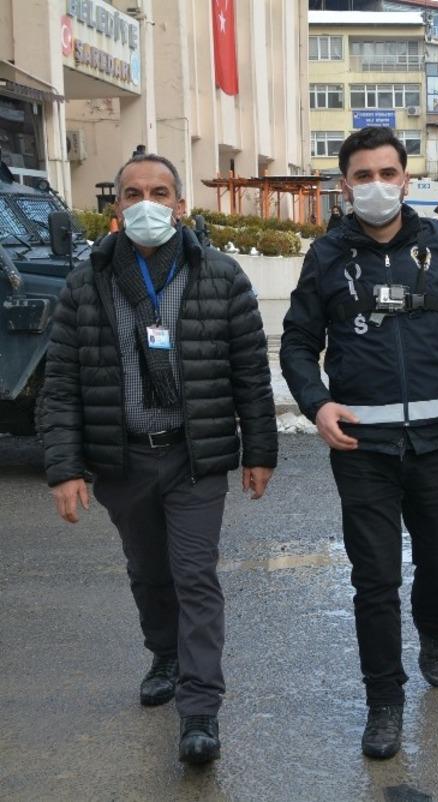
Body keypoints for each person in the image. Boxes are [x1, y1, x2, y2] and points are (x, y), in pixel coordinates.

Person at [279, 127, 438, 760]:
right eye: (364, 176)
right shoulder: (326, 257)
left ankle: (433, 631)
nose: (377, 186)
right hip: (363, 450)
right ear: (345, 184)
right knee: (374, 580)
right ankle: (384, 702)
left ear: (405, 180)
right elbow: (297, 343)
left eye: (388, 173)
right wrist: (316, 402)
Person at [40, 152, 277, 765]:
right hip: (122, 458)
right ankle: (165, 654)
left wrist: (260, 450)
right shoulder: (85, 281)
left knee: (196, 576)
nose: (147, 202)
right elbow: (61, 381)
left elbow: (250, 372)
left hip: (193, 457)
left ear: (180, 205)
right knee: (149, 572)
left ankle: (199, 711)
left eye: (160, 191)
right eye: (133, 192)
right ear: (115, 207)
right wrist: (65, 467)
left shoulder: (219, 276)